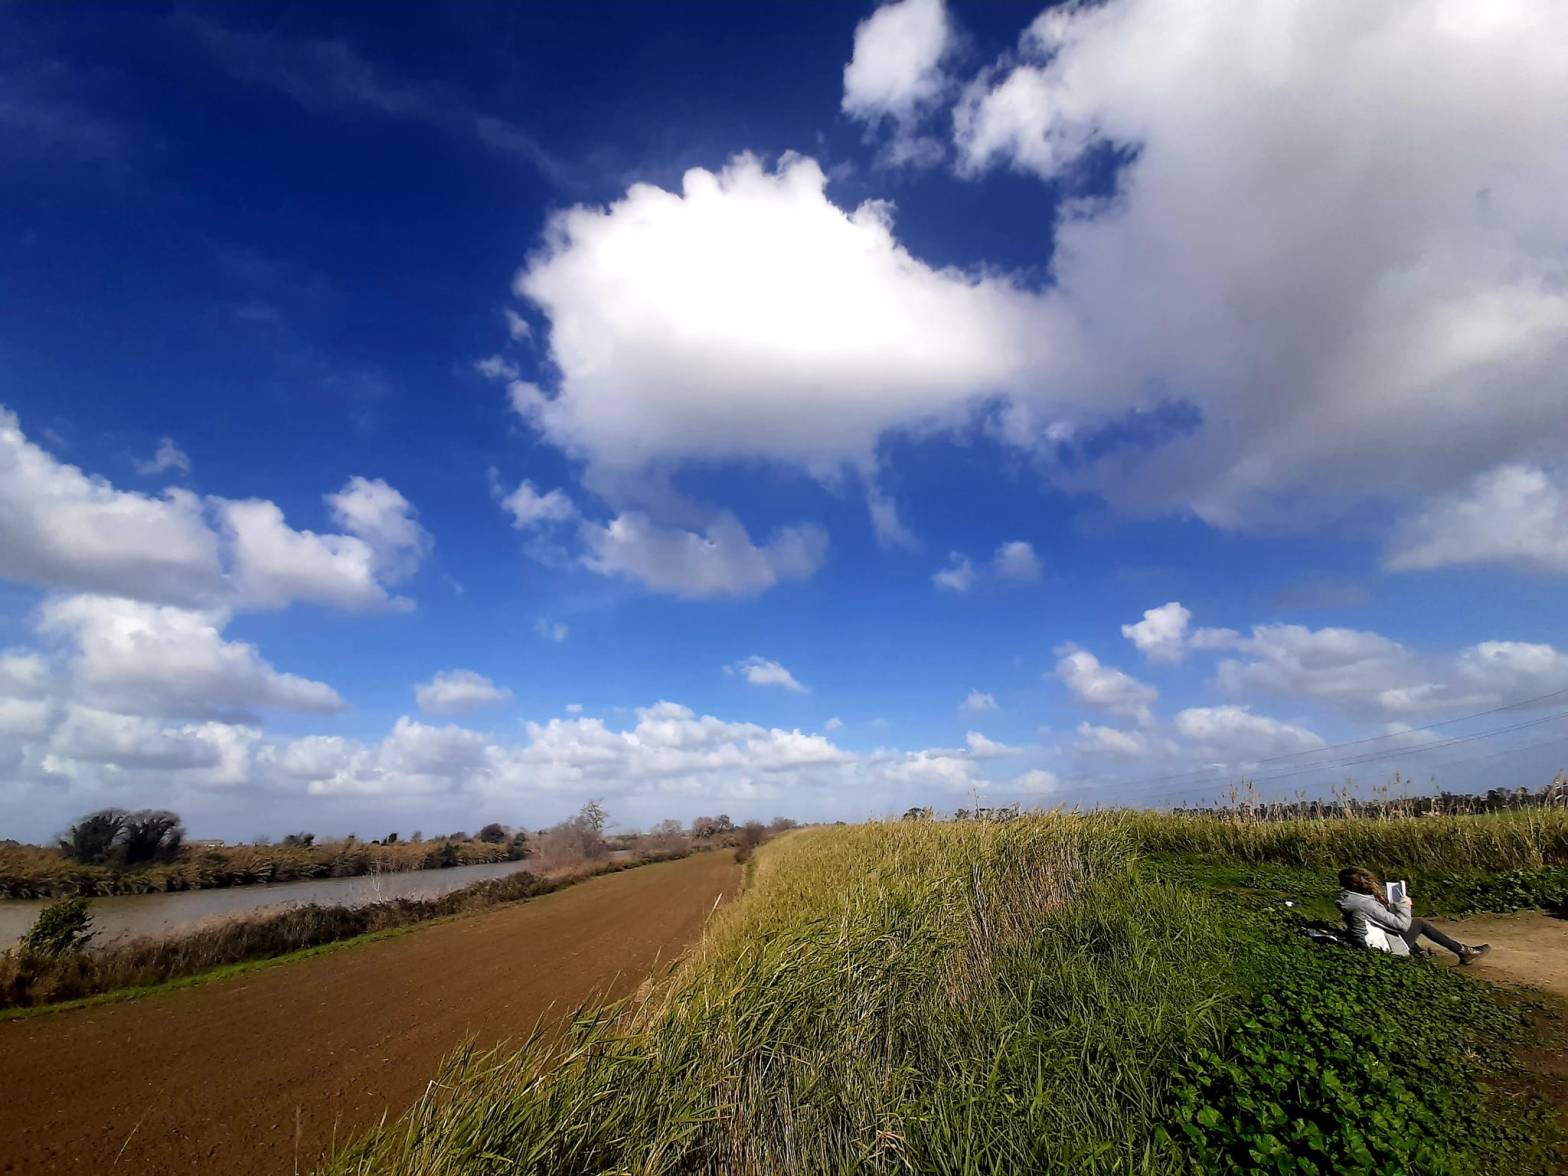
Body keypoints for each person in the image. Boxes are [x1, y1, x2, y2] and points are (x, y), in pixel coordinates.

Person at [1335, 866, 1490, 964]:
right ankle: (1464, 952)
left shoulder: (1350, 899)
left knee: (1408, 925)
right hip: (1380, 948)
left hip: (1367, 942)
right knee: (1418, 924)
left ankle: (1421, 953)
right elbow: (1402, 926)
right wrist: (1404, 905)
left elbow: (1377, 919)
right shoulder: (1365, 903)